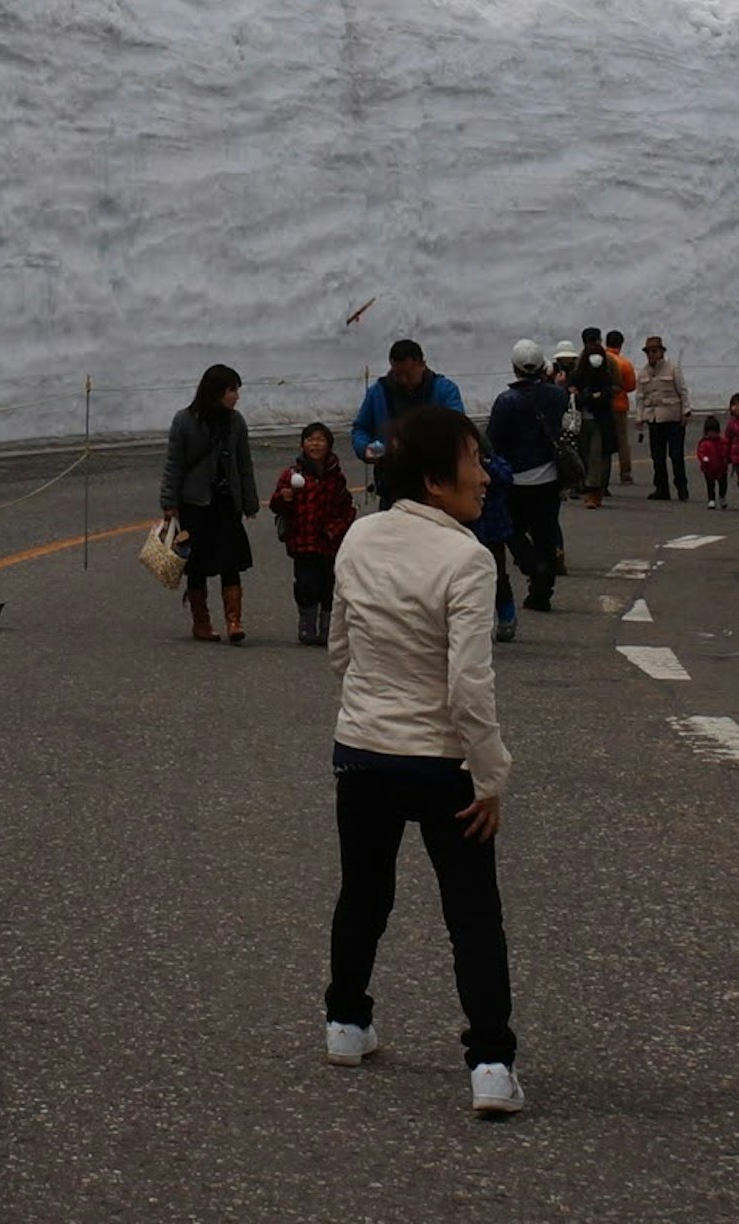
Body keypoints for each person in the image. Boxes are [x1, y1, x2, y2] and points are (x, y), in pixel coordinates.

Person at [322, 404, 523, 1119]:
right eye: (475, 462)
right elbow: (468, 686)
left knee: (364, 894)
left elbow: (340, 648)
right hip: (442, 763)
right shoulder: (466, 559)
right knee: (472, 915)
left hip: (363, 750)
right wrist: (492, 774)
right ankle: (491, 1064)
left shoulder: (360, 535)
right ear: (438, 481)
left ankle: (346, 1023)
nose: (488, 476)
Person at [159, 362, 259, 644]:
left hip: (227, 503)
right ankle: (201, 622)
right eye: (232, 390)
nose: (236, 396)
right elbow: (174, 465)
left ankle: (234, 621)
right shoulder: (184, 421)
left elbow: (244, 465)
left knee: (231, 563)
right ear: (216, 391)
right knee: (197, 565)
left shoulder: (236, 422)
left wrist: (249, 503)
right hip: (195, 504)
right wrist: (169, 503)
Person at [484, 341, 573, 598]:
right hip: (549, 475)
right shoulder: (558, 395)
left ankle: (531, 566)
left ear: (515, 368)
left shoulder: (506, 401)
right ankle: (542, 590)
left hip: (515, 479)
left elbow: (493, 441)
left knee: (511, 528)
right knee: (545, 531)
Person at [269, 422, 361, 647]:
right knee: (305, 584)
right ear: (302, 445)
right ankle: (307, 623)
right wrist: (284, 497)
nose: (315, 444)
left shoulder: (336, 477)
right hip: (302, 541)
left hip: (330, 543)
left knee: (329, 584)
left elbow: (347, 509)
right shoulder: (291, 474)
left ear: (329, 445)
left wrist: (334, 531)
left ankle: (328, 627)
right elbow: (275, 504)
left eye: (320, 440)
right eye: (310, 439)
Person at [349, 340, 465, 509]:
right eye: (397, 374)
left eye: (408, 374)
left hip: (435, 484)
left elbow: (458, 428)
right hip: (392, 484)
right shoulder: (377, 392)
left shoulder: (445, 391)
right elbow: (361, 428)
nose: (403, 380)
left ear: (422, 365)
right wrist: (367, 449)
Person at [466, 415, 523, 642]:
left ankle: (507, 615)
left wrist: (485, 463)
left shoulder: (493, 464)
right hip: (468, 530)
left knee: (498, 575)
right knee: (468, 579)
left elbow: (505, 478)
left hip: (492, 530)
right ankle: (473, 621)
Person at [566, 339, 622, 510]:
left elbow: (606, 395)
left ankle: (593, 491)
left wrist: (588, 397)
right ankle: (588, 486)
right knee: (584, 455)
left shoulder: (606, 375)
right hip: (580, 421)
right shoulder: (578, 375)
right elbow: (574, 393)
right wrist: (591, 397)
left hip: (599, 422)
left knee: (596, 455)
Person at [638, 335, 693, 502]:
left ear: (661, 352)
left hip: (673, 418)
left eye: (654, 351)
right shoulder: (642, 373)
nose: (651, 355)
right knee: (657, 457)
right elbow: (640, 397)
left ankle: (681, 487)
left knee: (676, 455)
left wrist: (686, 412)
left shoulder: (673, 369)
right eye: (649, 352)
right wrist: (640, 417)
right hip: (654, 420)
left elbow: (683, 391)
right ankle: (661, 488)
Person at [603, 330, 640, 488]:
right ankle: (625, 474)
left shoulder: (600, 359)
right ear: (621, 344)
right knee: (622, 441)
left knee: (601, 440)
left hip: (601, 405)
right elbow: (631, 386)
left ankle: (600, 473)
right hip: (619, 405)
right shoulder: (624, 363)